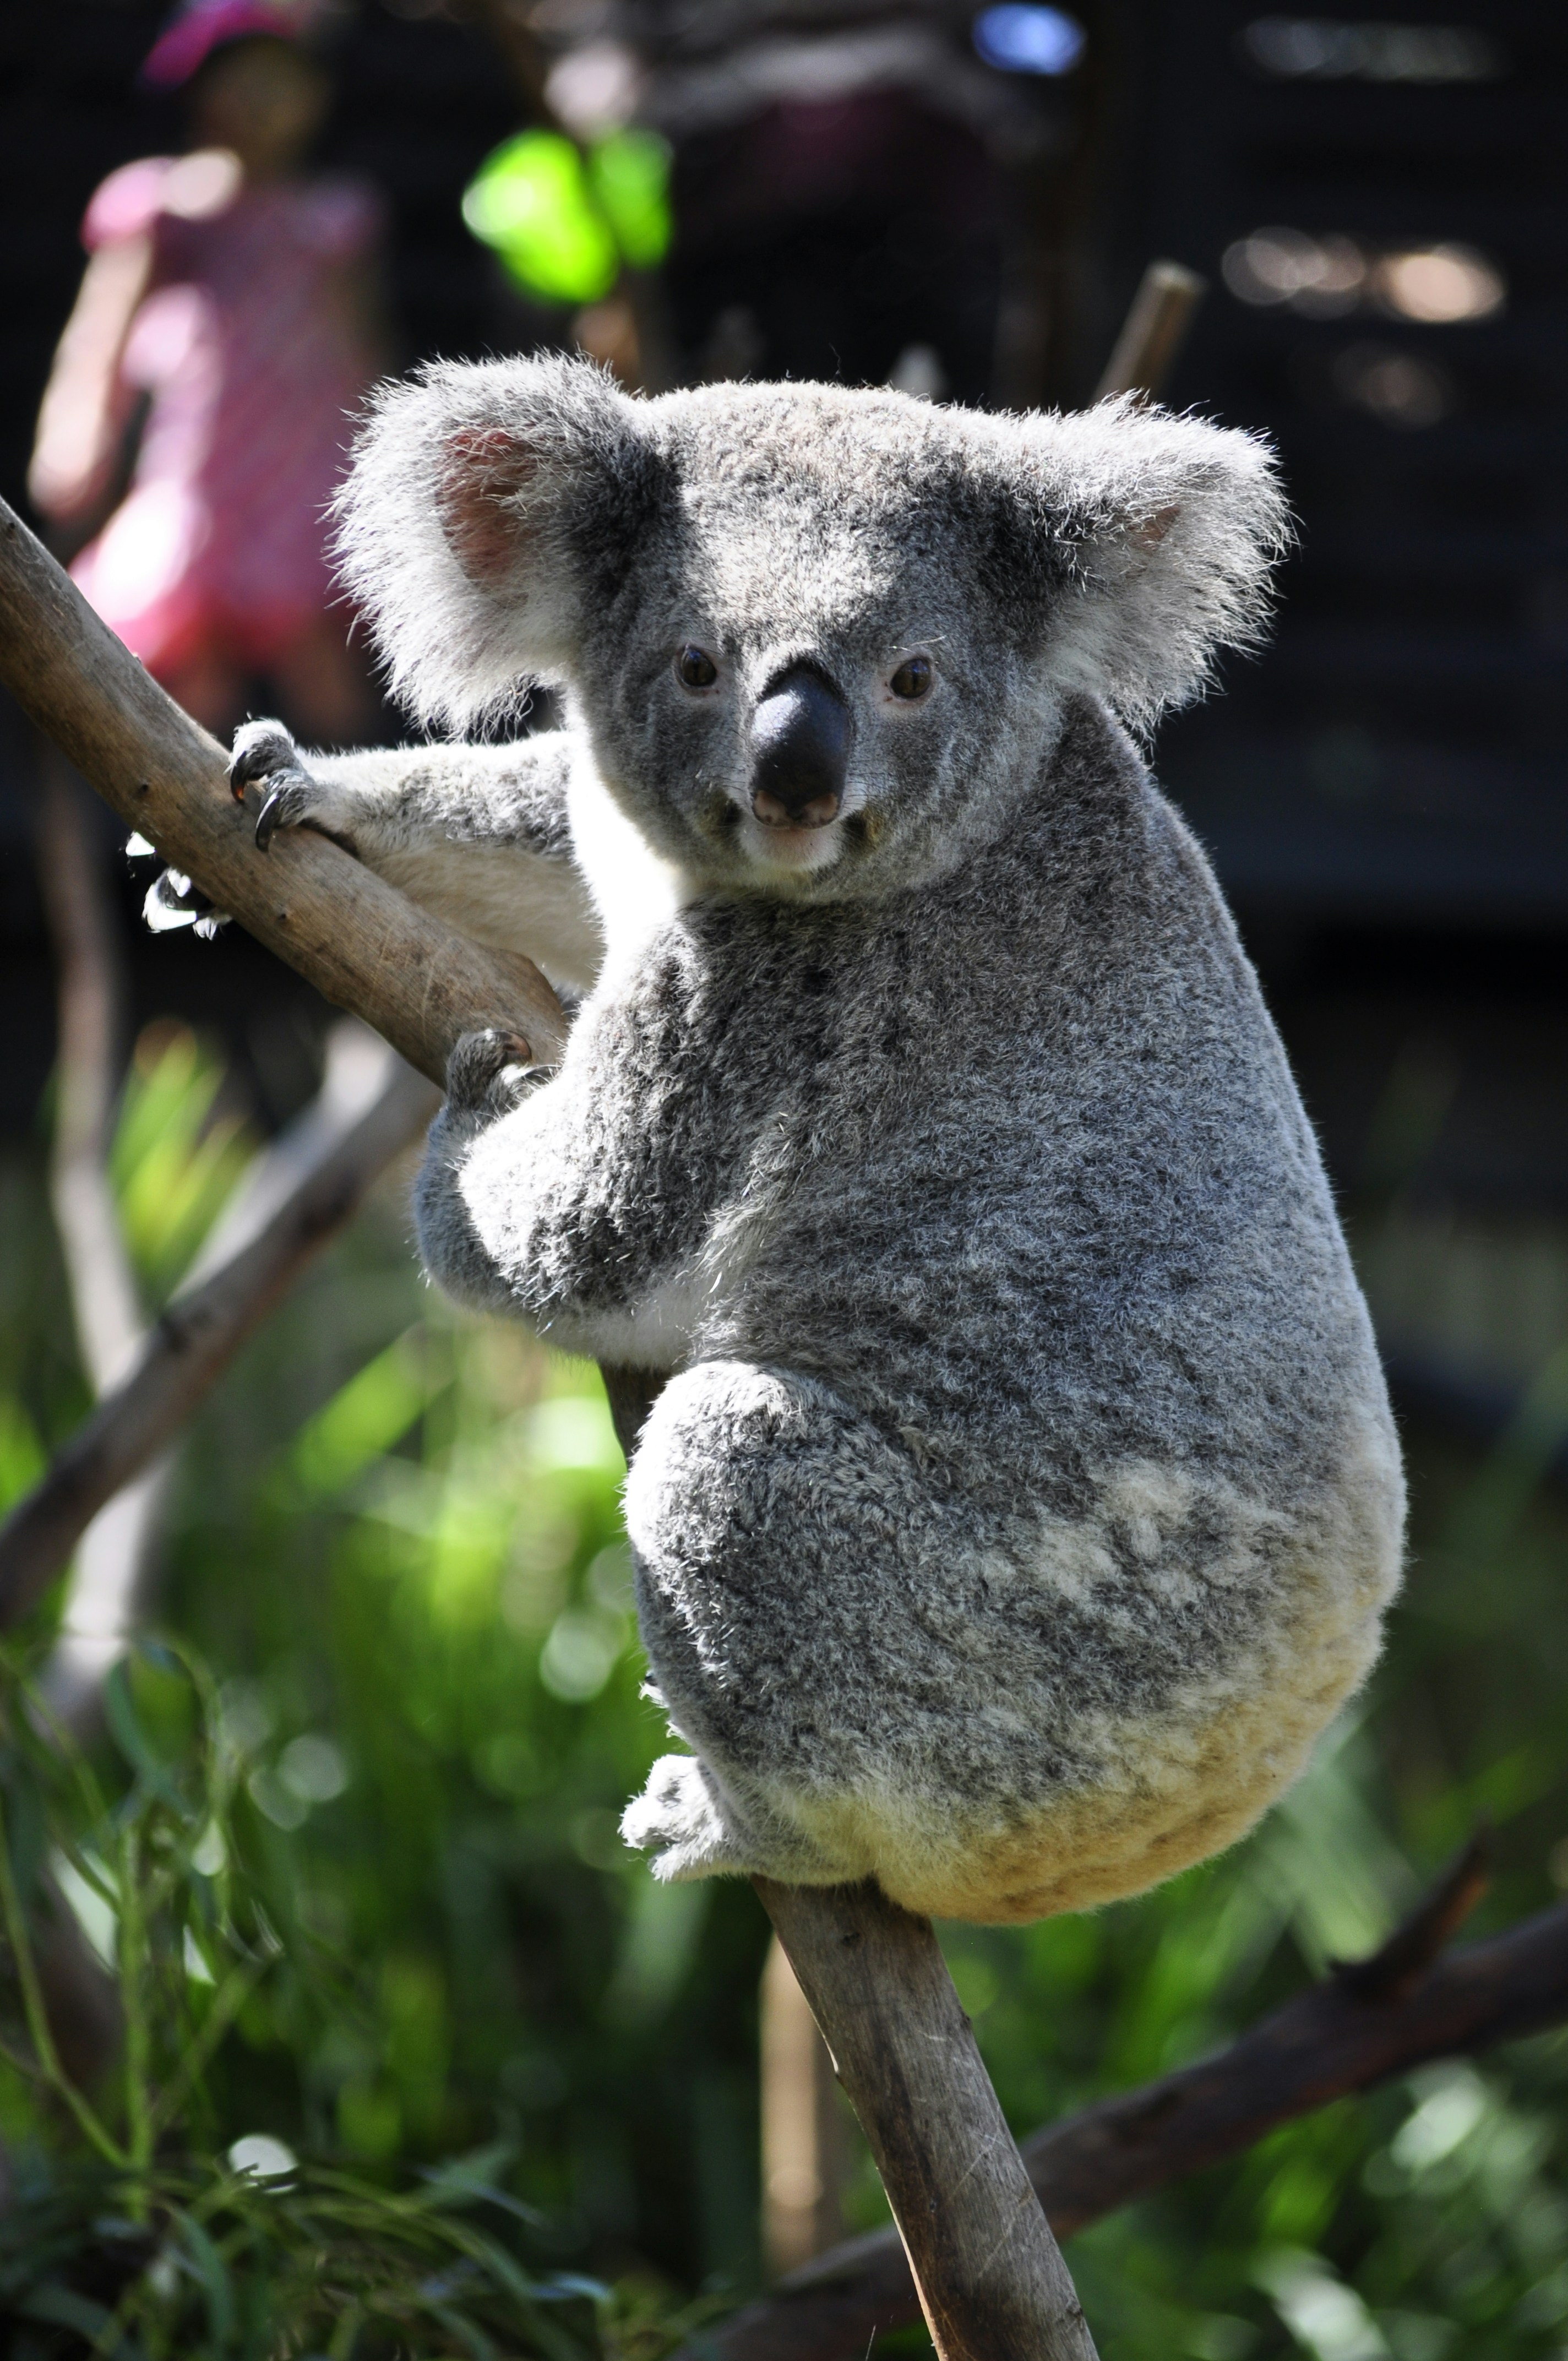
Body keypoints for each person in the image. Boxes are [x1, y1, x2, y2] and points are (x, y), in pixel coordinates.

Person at [29, 0, 385, 739]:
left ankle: (352, 817)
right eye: (243, 79)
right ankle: (184, 826)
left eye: (282, 82)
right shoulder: (163, 205)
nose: (264, 100)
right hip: (201, 463)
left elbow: (363, 347)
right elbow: (102, 331)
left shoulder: (332, 219)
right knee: (189, 650)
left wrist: (382, 457)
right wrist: (78, 430)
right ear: (199, 87)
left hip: (304, 464)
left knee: (318, 650)